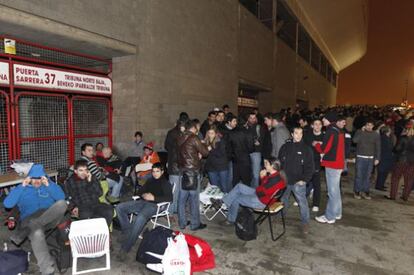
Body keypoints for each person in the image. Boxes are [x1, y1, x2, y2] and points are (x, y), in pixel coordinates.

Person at [4, 164, 67, 275]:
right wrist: (22, 186)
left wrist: (49, 185)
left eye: (40, 178)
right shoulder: (22, 189)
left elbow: (61, 198)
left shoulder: (48, 186)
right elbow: (7, 204)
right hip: (29, 218)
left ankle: (33, 225)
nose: (37, 181)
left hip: (49, 218)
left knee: (62, 204)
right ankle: (47, 270)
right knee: (37, 232)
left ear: (44, 178)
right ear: (29, 178)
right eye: (34, 178)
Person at [116, 163, 172, 254]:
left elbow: (169, 198)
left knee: (140, 217)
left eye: (157, 171)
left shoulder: (165, 183)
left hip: (154, 205)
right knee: (120, 207)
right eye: (153, 171)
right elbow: (140, 191)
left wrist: (154, 198)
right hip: (143, 202)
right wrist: (143, 195)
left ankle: (126, 247)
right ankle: (127, 231)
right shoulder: (150, 180)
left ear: (162, 172)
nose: (155, 173)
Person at [210, 158, 286, 225]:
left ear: (272, 166)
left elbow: (260, 192)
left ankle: (230, 220)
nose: (264, 165)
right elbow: (262, 189)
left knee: (236, 199)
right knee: (239, 186)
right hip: (263, 197)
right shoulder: (276, 175)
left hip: (262, 201)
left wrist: (262, 177)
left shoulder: (274, 180)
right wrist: (264, 178)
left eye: (266, 164)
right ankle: (222, 202)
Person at [278, 127, 314, 234]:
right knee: (283, 199)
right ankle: (281, 215)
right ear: (292, 134)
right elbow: (279, 163)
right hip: (285, 180)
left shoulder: (307, 149)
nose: (298, 135)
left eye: (301, 133)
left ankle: (305, 222)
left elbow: (310, 167)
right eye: (296, 133)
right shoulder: (285, 147)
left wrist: (304, 180)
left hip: (298, 181)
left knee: (302, 202)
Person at [177, 120, 210, 230]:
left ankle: (182, 223)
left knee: (181, 200)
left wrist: (196, 154)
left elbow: (186, 153)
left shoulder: (180, 137)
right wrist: (205, 145)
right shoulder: (194, 138)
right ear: (194, 128)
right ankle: (195, 224)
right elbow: (205, 153)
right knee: (194, 200)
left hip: (182, 172)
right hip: (193, 173)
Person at [315, 112, 346, 224]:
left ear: (330, 119)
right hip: (338, 163)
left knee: (332, 192)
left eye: (324, 118)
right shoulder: (339, 130)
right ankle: (337, 212)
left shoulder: (330, 131)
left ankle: (329, 216)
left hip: (332, 164)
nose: (323, 120)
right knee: (336, 191)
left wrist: (316, 145)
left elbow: (324, 149)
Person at [66, 159, 113, 226]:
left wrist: (90, 182)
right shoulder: (70, 181)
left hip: (96, 203)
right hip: (82, 206)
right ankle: (91, 234)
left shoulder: (92, 177)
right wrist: (73, 207)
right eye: (81, 170)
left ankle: (103, 232)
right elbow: (68, 196)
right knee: (87, 216)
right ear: (75, 171)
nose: (84, 173)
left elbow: (100, 193)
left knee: (109, 210)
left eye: (85, 170)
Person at [352, 118, 381, 199]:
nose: (369, 127)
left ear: (373, 126)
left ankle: (365, 191)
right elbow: (354, 141)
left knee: (368, 176)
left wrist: (377, 158)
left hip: (370, 158)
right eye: (367, 125)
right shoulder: (359, 132)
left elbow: (378, 147)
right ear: (365, 125)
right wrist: (361, 131)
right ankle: (357, 191)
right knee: (359, 175)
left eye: (371, 125)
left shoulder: (376, 134)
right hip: (360, 157)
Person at [164, 119, 186, 213]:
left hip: (174, 165)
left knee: (176, 189)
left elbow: (166, 146)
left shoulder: (171, 133)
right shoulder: (180, 135)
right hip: (176, 165)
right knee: (176, 190)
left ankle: (174, 209)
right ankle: (171, 210)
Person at [388, 126, 414, 201]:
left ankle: (393, 196)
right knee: (409, 180)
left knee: (395, 178)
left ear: (407, 131)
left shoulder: (403, 138)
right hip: (412, 162)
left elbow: (397, 149)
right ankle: (405, 197)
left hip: (401, 160)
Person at [304, 118, 324, 212]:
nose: (317, 126)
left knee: (316, 183)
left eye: (319, 124)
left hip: (317, 162)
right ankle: (301, 199)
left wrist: (321, 144)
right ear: (312, 125)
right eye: (315, 124)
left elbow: (326, 148)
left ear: (322, 125)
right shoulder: (308, 135)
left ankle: (316, 204)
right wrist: (314, 143)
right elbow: (305, 145)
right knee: (304, 181)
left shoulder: (324, 136)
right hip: (307, 161)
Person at [228, 117, 253, 186]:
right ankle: (246, 195)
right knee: (246, 180)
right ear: (246, 123)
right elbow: (251, 148)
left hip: (235, 159)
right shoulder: (248, 132)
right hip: (245, 159)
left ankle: (235, 195)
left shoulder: (231, 132)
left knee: (235, 180)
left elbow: (228, 147)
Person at [205, 125, 230, 192]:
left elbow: (221, 153)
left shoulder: (220, 141)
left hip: (222, 166)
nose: (210, 135)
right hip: (211, 167)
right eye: (209, 133)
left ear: (216, 133)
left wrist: (211, 150)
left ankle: (225, 201)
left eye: (212, 133)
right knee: (214, 187)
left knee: (224, 186)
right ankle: (216, 201)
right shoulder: (206, 141)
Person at [245, 112, 266, 188]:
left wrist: (254, 140)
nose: (253, 120)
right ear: (248, 118)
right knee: (249, 173)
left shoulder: (259, 127)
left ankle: (256, 191)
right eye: (251, 118)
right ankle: (250, 188)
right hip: (246, 152)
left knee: (256, 174)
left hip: (256, 152)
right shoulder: (244, 127)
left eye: (254, 118)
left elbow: (260, 141)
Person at [375, 126, 394, 191]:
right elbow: (389, 148)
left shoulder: (383, 137)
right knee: (382, 172)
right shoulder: (385, 138)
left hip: (384, 156)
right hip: (385, 157)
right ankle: (379, 186)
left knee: (383, 172)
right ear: (387, 131)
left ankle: (380, 185)